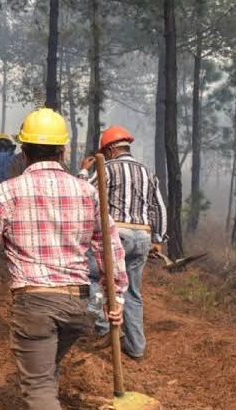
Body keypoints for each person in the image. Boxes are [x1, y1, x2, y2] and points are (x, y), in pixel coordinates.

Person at [0, 108, 128, 410]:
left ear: (23, 151)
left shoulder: (8, 193)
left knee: (37, 387)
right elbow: (110, 248)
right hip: (79, 305)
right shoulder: (87, 192)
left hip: (35, 305)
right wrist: (118, 298)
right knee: (46, 371)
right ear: (62, 151)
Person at [79, 125, 167, 361]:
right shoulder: (148, 172)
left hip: (115, 235)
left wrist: (83, 173)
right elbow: (159, 207)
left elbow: (85, 195)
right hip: (143, 237)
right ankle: (136, 347)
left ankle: (106, 331)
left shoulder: (105, 168)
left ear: (109, 150)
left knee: (96, 279)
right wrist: (158, 239)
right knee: (133, 293)